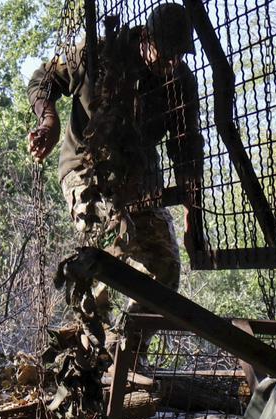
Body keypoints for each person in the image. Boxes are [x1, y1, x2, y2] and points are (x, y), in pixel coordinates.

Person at [26, 2, 203, 325]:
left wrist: (194, 213)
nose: (171, 61)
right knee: (112, 242)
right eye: (165, 52)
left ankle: (127, 352)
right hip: (87, 170)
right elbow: (44, 78)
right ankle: (93, 341)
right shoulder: (101, 54)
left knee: (166, 267)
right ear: (145, 38)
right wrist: (48, 121)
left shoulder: (181, 82)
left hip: (140, 181)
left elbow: (186, 147)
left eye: (179, 55)